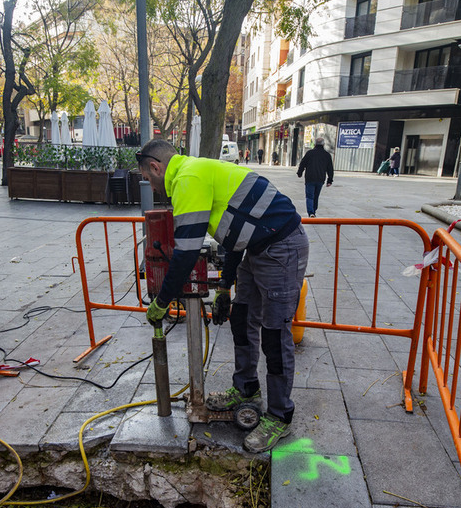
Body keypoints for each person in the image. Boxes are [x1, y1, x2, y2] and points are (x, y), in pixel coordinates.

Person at [139, 139, 309, 454]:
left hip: (281, 247)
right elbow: (232, 231)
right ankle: (246, 389)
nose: (152, 187)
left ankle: (280, 415)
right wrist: (223, 286)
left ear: (155, 166)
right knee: (242, 318)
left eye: (149, 179)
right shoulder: (193, 173)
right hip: (253, 248)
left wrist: (161, 302)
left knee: (274, 333)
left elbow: (187, 252)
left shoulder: (188, 178)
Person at [296, 136, 333, 218]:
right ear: (323, 145)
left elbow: (303, 163)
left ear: (315, 144)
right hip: (320, 178)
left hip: (310, 178)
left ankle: (311, 212)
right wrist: (330, 180)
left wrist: (299, 173)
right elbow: (330, 168)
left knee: (309, 196)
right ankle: (314, 210)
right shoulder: (327, 155)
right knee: (316, 196)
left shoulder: (310, 153)